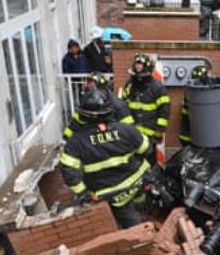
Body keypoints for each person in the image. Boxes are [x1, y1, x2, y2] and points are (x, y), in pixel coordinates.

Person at [59, 89, 151, 228]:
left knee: (129, 224)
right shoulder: (127, 130)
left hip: (108, 193)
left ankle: (137, 233)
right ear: (109, 110)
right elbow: (147, 149)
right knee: (139, 204)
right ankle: (143, 214)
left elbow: (69, 172)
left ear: (82, 114)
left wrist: (83, 193)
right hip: (137, 181)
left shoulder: (75, 142)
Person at [122, 53, 171, 165]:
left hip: (150, 134)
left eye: (141, 68)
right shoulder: (129, 85)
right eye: (136, 66)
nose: (139, 77)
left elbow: (164, 111)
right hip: (133, 132)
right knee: (134, 162)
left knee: (150, 162)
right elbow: (123, 106)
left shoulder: (157, 88)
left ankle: (152, 180)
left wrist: (159, 131)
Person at [63, 73, 134, 139]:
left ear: (100, 86)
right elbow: (76, 122)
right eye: (88, 83)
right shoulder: (86, 104)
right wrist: (67, 136)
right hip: (90, 142)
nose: (87, 86)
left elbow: (129, 128)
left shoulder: (118, 105)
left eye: (91, 84)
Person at [179, 65, 213, 146]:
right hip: (195, 138)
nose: (210, 76)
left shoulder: (190, 90)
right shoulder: (201, 93)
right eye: (208, 74)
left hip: (185, 136)